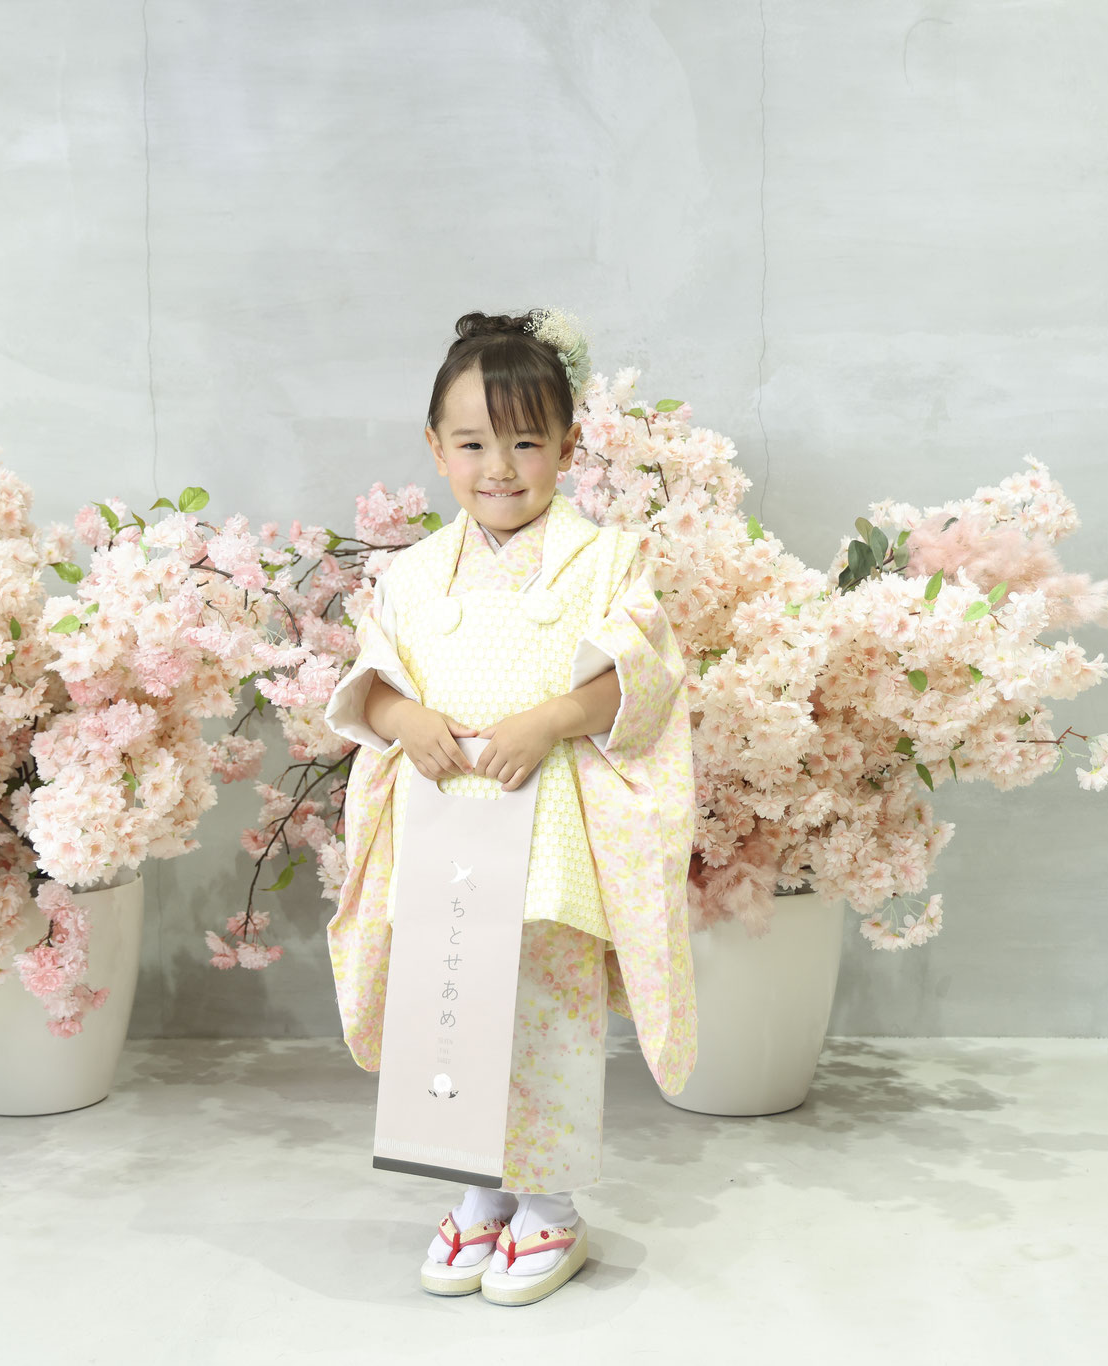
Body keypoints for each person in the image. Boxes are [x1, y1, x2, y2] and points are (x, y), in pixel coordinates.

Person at [323, 310, 697, 1306]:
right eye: (472, 443)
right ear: (435, 448)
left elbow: (643, 679)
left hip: (548, 825)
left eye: (527, 442)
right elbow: (370, 683)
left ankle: (550, 1203)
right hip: (442, 820)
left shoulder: (606, 559)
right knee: (450, 1002)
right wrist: (404, 717)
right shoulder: (410, 573)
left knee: (545, 1010)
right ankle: (477, 1189)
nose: (500, 467)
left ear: (568, 447)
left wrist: (554, 718)